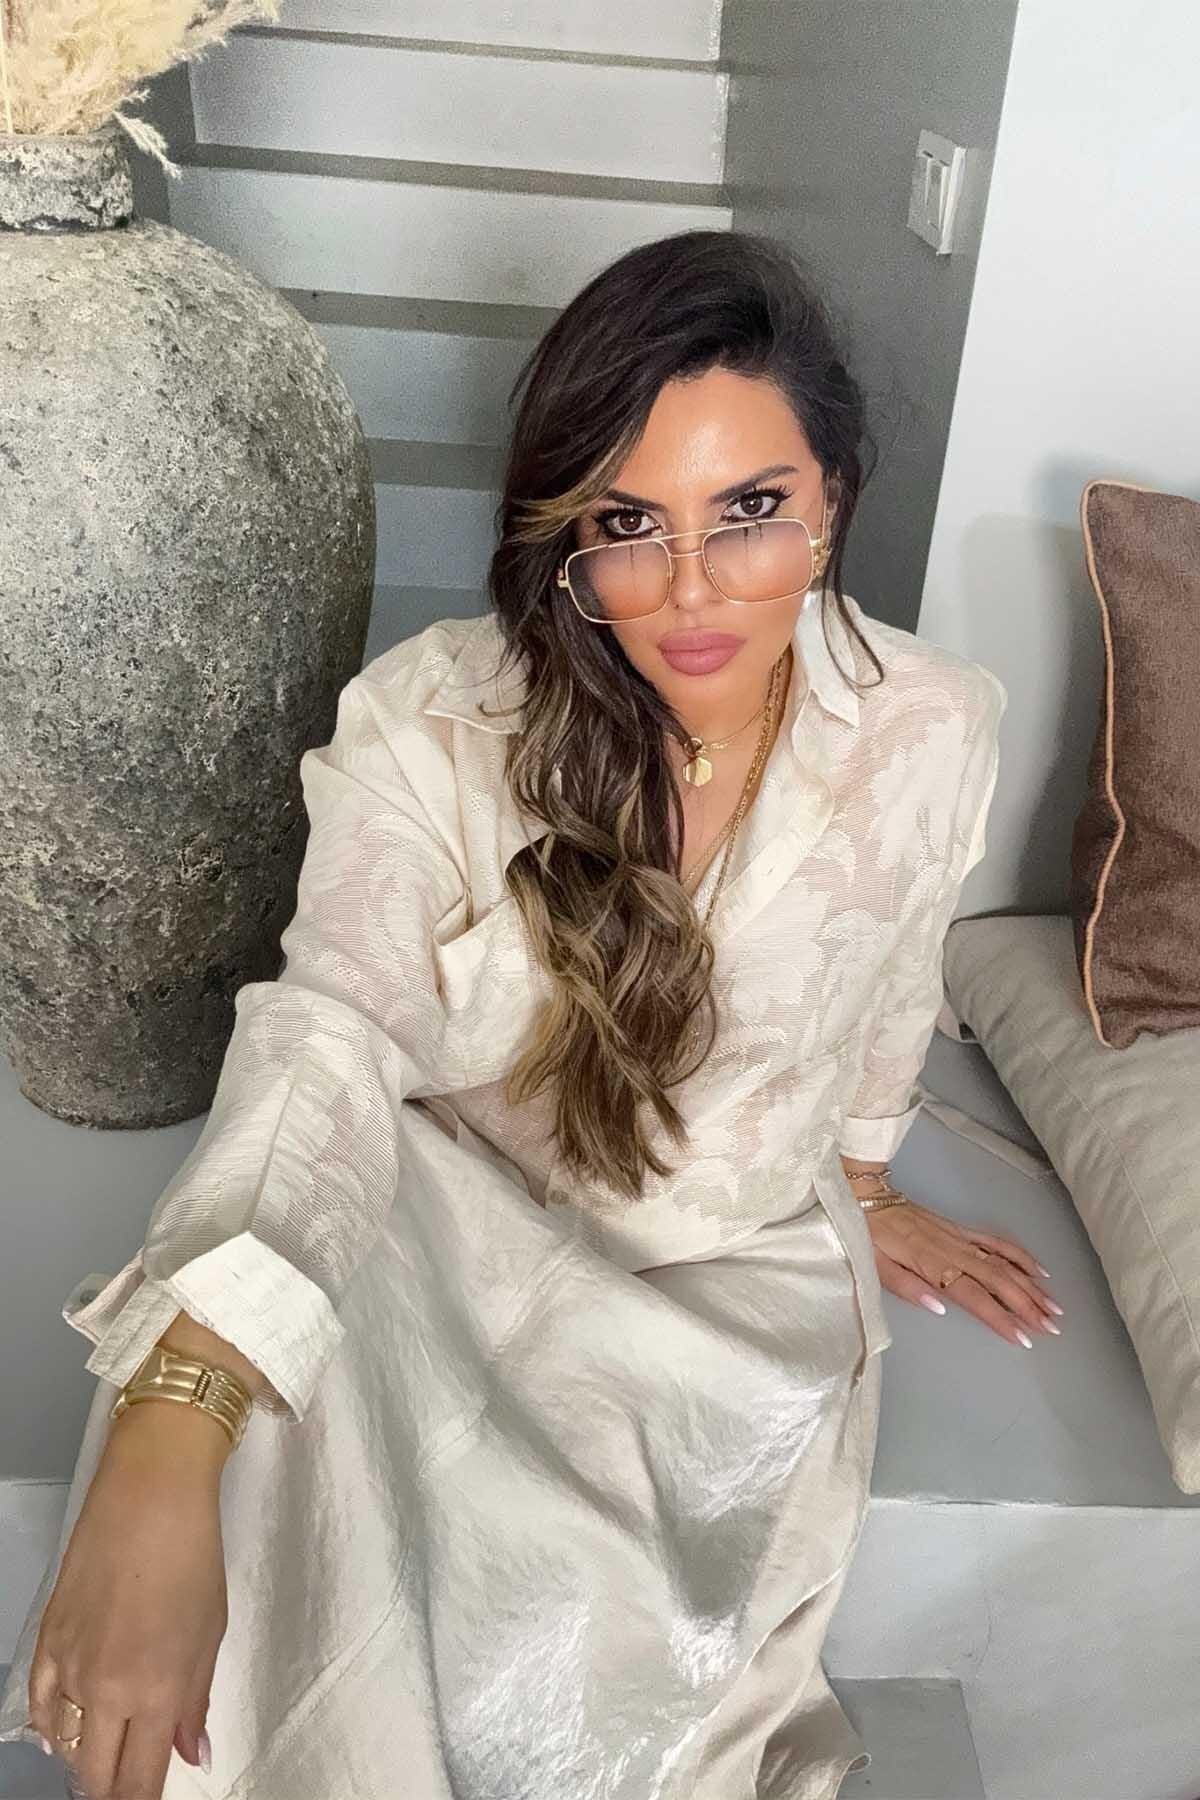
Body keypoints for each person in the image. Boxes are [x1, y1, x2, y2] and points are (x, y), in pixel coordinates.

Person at [0, 227, 1060, 1800]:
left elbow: (896, 966)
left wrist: (867, 1175)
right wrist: (175, 1412)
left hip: (735, 1272)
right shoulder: (433, 722)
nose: (689, 589)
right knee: (274, 1483)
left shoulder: (936, 721)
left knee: (583, 1681)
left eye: (749, 511)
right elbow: (331, 1029)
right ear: (564, 533)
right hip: (444, 1219)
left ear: (832, 500)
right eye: (628, 525)